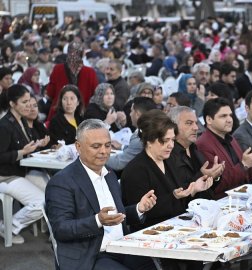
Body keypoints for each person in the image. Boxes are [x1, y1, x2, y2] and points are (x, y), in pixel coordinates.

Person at [45, 119, 157, 270]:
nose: (104, 151)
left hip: (120, 247)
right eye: (96, 146)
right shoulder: (61, 182)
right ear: (78, 146)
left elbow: (115, 217)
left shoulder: (109, 174)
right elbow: (61, 229)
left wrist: (139, 208)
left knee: (156, 265)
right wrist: (97, 220)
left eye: (108, 145)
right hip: (90, 255)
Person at [121, 110, 213, 231]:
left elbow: (179, 197)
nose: (171, 145)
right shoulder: (135, 170)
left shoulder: (170, 160)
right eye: (165, 141)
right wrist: (174, 196)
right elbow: (141, 213)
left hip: (177, 228)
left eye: (172, 140)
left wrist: (194, 189)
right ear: (149, 141)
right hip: (150, 235)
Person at [0, 84, 50, 245]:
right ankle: (7, 227)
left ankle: (53, 229)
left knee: (52, 190)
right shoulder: (5, 125)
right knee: (40, 202)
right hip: (5, 176)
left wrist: (37, 145)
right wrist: (22, 152)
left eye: (29, 100)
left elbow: (23, 147)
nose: (29, 105)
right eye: (24, 102)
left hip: (20, 171)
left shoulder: (21, 120)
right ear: (12, 104)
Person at [197, 98, 252, 198]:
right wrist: (244, 165)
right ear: (209, 119)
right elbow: (218, 185)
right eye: (223, 116)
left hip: (242, 197)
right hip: (222, 203)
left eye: (230, 115)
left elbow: (245, 176)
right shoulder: (203, 143)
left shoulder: (231, 139)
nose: (229, 120)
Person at [167, 106, 224, 195]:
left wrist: (215, 176)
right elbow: (178, 193)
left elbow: (208, 190)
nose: (196, 127)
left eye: (196, 123)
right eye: (189, 123)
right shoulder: (168, 154)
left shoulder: (194, 148)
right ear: (174, 127)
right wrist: (202, 175)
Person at [45, 41, 98, 121]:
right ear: (83, 54)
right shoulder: (90, 72)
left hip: (60, 115)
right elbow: (95, 95)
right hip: (83, 115)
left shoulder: (57, 69)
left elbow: (50, 93)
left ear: (68, 52)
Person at [106, 97, 156, 172]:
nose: (129, 114)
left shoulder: (140, 136)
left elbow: (118, 163)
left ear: (137, 114)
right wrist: (122, 147)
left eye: (131, 111)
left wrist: (96, 157)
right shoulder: (152, 129)